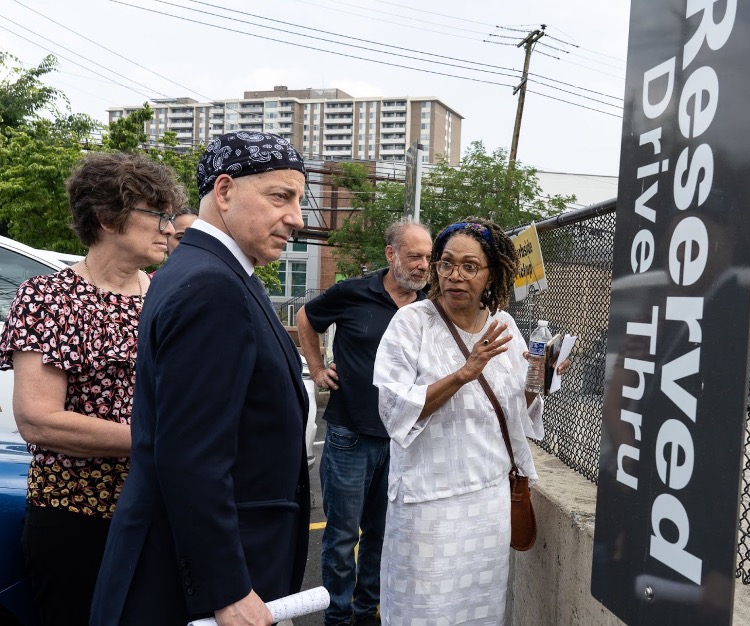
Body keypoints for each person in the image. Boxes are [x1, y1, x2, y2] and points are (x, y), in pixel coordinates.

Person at [91, 131, 311, 626]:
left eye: (298, 199)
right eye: (281, 196)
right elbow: (191, 454)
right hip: (195, 585)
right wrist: (228, 588)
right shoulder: (211, 286)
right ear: (226, 191)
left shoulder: (213, 273)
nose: (296, 217)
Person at [0, 151, 184, 626]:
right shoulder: (49, 297)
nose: (169, 227)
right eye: (156, 215)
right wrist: (161, 442)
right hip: (76, 515)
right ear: (106, 217)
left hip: (164, 509)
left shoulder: (172, 296)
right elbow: (38, 420)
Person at [373, 217, 557, 625]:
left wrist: (538, 380)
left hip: (487, 503)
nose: (456, 276)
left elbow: (514, 410)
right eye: (447, 264)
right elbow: (394, 411)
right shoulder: (411, 324)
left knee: (481, 613)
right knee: (424, 611)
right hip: (429, 506)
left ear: (492, 273)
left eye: (470, 266)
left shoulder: (503, 326)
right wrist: (463, 373)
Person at [296, 218, 432, 626]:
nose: (424, 265)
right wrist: (318, 368)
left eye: (428, 257)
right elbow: (305, 318)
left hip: (404, 440)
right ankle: (337, 617)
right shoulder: (353, 293)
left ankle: (366, 611)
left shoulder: (432, 307)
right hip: (350, 435)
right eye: (415, 256)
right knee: (341, 536)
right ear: (391, 255)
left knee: (382, 533)